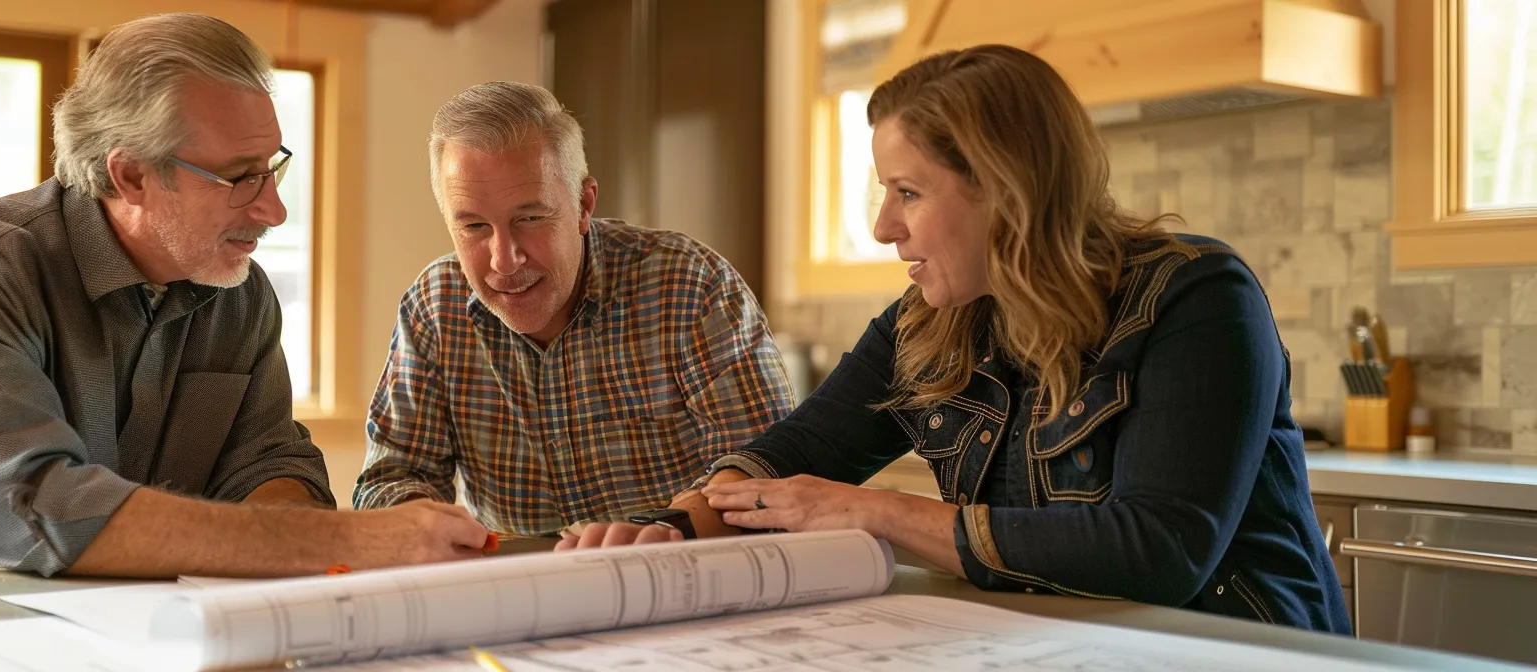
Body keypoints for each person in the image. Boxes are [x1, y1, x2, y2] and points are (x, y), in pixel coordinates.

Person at [564, 45, 1351, 634]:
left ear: (1006, 192)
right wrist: (666, 528)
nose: (882, 227)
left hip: (1247, 649)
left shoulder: (1197, 295)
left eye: (908, 193)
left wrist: (876, 513)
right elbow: (795, 453)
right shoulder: (930, 319)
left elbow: (1157, 552)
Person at [0, 13, 489, 579]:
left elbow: (272, 464)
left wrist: (294, 537)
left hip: (96, 629)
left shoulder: (237, 294)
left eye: (273, 166)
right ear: (130, 176)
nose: (274, 210)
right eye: (241, 176)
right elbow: (35, 507)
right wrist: (341, 542)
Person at [353, 82, 794, 539]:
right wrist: (417, 518)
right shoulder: (433, 308)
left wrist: (663, 531)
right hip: (518, 595)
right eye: (474, 226)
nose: (504, 260)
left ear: (584, 205)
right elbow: (391, 476)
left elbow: (767, 473)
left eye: (530, 218)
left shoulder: (691, 287)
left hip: (685, 582)